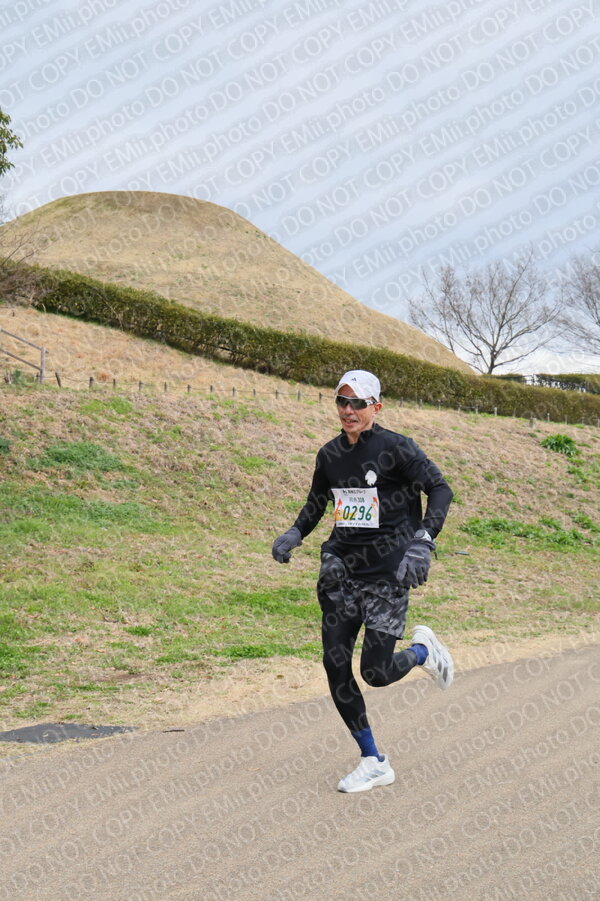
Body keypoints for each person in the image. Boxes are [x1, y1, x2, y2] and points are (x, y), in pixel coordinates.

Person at [272, 370, 454, 793]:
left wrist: (423, 541)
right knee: (334, 662)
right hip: (341, 566)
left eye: (357, 403)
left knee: (376, 672)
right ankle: (372, 759)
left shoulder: (397, 448)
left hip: (389, 571)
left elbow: (440, 489)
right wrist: (296, 532)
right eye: (342, 401)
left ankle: (423, 652)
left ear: (376, 406)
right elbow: (318, 501)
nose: (348, 410)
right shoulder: (330, 454)